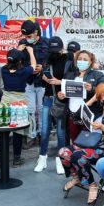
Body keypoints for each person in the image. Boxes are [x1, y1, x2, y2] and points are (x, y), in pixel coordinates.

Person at [59, 84, 104, 206]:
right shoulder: (96, 108)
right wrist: (91, 100)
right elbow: (75, 116)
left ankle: (92, 184)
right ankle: (76, 177)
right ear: (100, 98)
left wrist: (103, 127)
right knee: (63, 152)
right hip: (89, 142)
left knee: (79, 157)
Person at [34, 36, 75, 174]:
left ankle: (60, 160)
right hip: (48, 97)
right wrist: (43, 77)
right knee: (44, 131)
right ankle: (42, 159)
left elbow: (73, 78)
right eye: (52, 49)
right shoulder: (47, 59)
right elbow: (44, 76)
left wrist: (60, 82)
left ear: (62, 48)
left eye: (57, 50)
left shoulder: (69, 60)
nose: (54, 52)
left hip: (62, 100)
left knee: (61, 133)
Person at [0, 47, 36, 165]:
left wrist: (17, 51)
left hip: (5, 101)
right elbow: (34, 65)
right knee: (18, 131)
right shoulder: (24, 71)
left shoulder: (3, 70)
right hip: (19, 103)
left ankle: (0, 158)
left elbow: (10, 63)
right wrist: (30, 51)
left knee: (3, 130)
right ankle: (16, 158)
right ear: (20, 61)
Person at [60, 50, 104, 142]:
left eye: (85, 59)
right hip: (72, 116)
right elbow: (64, 97)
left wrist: (92, 89)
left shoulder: (98, 75)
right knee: (75, 142)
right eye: (79, 59)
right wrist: (60, 96)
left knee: (88, 143)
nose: (82, 61)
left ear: (90, 62)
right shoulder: (69, 75)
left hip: (90, 115)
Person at [18, 20, 49, 145]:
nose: (27, 38)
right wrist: (19, 50)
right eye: (25, 36)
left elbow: (52, 60)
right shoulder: (23, 43)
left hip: (42, 82)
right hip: (28, 82)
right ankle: (31, 135)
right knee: (30, 109)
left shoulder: (46, 42)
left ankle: (42, 134)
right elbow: (16, 61)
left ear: (36, 32)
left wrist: (43, 68)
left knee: (42, 109)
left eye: (29, 36)